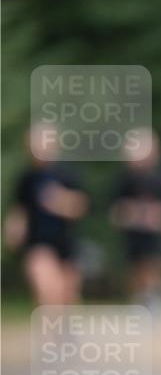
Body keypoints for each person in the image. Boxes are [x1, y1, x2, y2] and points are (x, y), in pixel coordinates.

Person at [4, 122, 88, 305]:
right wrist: (13, 230)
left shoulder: (67, 173)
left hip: (65, 243)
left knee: (67, 296)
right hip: (38, 244)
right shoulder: (26, 177)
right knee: (48, 290)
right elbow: (19, 209)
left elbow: (80, 206)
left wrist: (60, 202)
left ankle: (62, 330)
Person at [109, 129, 161, 309]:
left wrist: (157, 216)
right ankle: (141, 299)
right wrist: (133, 215)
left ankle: (156, 296)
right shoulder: (123, 180)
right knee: (135, 267)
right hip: (133, 235)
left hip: (156, 235)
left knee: (155, 262)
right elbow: (115, 212)